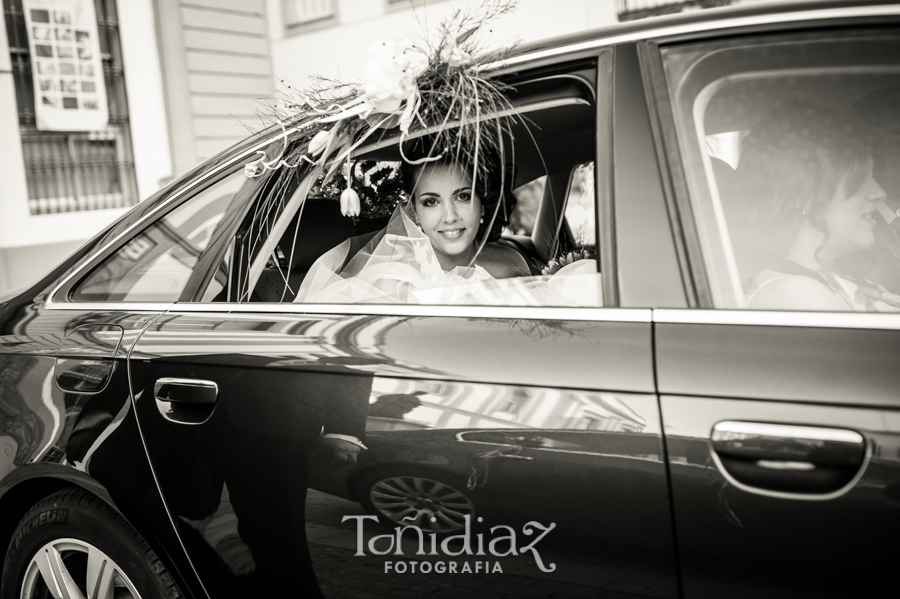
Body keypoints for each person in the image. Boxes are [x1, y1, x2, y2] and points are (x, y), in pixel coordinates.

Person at [295, 151, 535, 305]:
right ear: (414, 211)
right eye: (431, 202)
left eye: (463, 197)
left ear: (483, 204)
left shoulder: (512, 261)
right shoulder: (391, 282)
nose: (449, 217)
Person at [732, 102, 900, 312]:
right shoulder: (798, 296)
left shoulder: (830, 281)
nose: (879, 193)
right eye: (861, 177)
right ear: (806, 192)